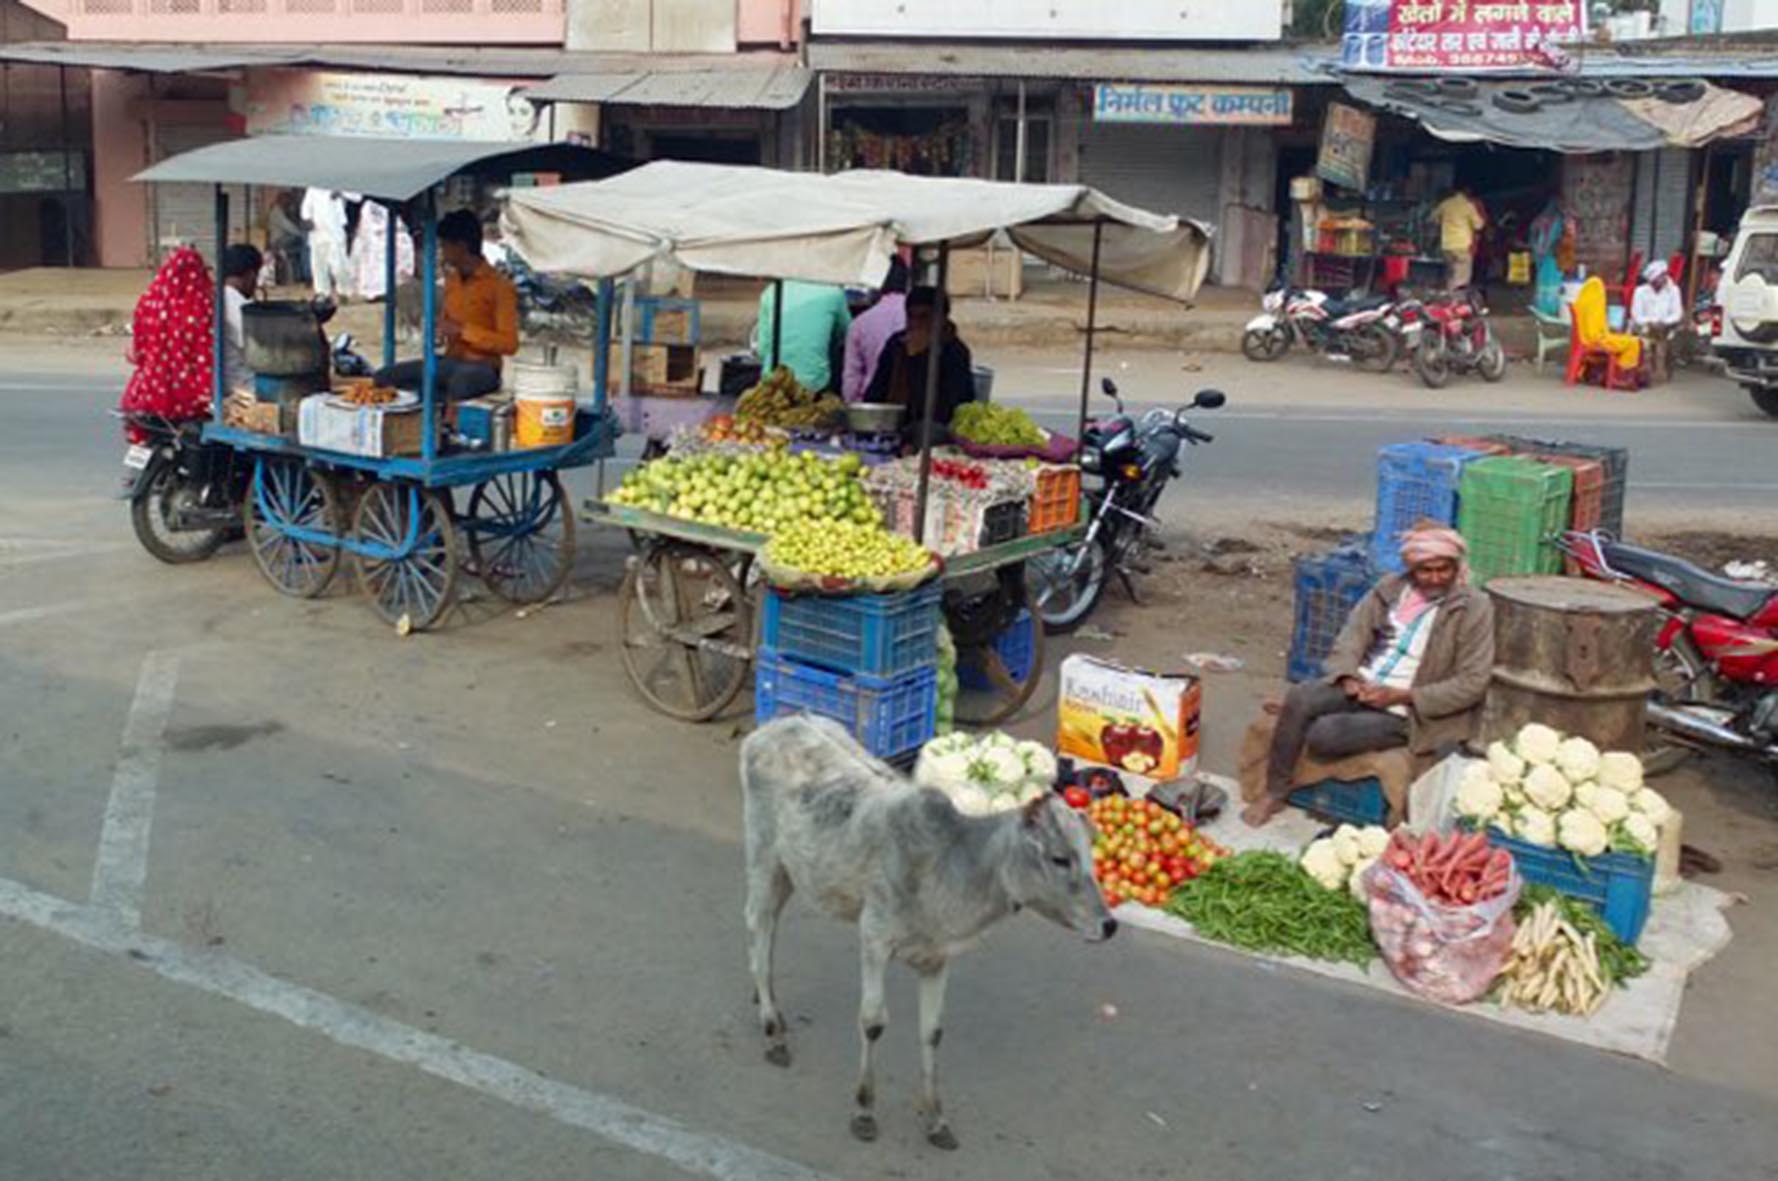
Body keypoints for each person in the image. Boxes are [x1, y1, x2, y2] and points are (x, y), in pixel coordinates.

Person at [1243, 525, 1495, 829]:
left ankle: (1309, 720)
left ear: (1456, 567)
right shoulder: (1390, 590)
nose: (1435, 578)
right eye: (1425, 570)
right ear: (1411, 568)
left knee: (1325, 734)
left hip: (1411, 709)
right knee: (1302, 696)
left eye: (1444, 569)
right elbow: (1351, 638)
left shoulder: (1473, 607)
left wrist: (1403, 696)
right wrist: (1350, 678)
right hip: (1366, 685)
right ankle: (1275, 791)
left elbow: (1473, 682)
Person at [372, 209, 518, 401]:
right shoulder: (452, 281)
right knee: (386, 377)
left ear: (461, 246)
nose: (441, 251)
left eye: (445, 245)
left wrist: (464, 331)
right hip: (450, 361)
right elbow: (445, 323)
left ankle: (449, 424)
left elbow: (509, 344)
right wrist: (438, 331)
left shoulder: (499, 286)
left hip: (483, 367)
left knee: (459, 383)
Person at [863, 286, 976, 440]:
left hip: (934, 430)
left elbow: (950, 407)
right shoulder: (897, 344)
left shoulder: (954, 351)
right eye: (911, 317)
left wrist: (919, 358)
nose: (916, 323)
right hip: (892, 425)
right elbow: (876, 391)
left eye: (924, 317)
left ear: (942, 318)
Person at [119, 246, 216, 423]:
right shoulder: (200, 307)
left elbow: (139, 350)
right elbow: (205, 354)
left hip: (147, 393)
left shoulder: (148, 302)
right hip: (189, 397)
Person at [753, 280, 851, 393]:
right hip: (814, 384)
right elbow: (847, 336)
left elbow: (762, 350)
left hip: (772, 382)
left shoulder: (771, 292)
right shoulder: (834, 293)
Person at [842, 257, 910, 404]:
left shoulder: (859, 323)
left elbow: (852, 377)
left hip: (871, 406)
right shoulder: (920, 319)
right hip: (910, 403)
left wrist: (852, 407)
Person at [346, 200, 415, 302]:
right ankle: (372, 292)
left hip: (390, 225)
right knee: (372, 263)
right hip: (372, 233)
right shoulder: (367, 208)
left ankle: (388, 290)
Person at [219, 243, 264, 396]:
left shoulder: (216, 297)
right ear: (251, 275)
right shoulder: (240, 306)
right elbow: (260, 350)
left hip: (223, 380)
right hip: (242, 385)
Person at [1630, 260, 1684, 384]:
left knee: (1665, 338)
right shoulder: (1640, 291)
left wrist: (1664, 323)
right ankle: (1648, 372)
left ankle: (1661, 370)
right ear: (1653, 279)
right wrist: (1651, 323)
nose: (1664, 278)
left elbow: (1677, 313)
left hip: (1666, 327)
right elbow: (1636, 315)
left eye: (1665, 274)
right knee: (1646, 339)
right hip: (1645, 327)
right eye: (1661, 275)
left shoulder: (1674, 290)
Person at [300, 187, 351, 300]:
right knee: (319, 265)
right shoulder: (312, 189)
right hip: (318, 232)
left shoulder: (339, 185)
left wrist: (341, 192)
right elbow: (305, 209)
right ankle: (322, 293)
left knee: (339, 265)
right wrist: (308, 219)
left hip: (336, 232)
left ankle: (343, 291)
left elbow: (357, 197)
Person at [1434, 186, 1486, 291]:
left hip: (1447, 245)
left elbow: (1434, 218)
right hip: (1462, 245)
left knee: (1450, 273)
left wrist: (1444, 223)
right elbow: (1478, 225)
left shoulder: (1445, 204)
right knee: (1462, 275)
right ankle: (1458, 300)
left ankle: (1449, 295)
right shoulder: (1468, 206)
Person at [267, 193, 308, 286]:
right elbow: (288, 226)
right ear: (282, 200)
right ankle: (305, 275)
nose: (289, 203)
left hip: (282, 239)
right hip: (279, 240)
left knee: (300, 249)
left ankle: (299, 277)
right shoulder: (277, 212)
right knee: (304, 245)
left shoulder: (280, 211)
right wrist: (301, 234)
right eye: (288, 201)